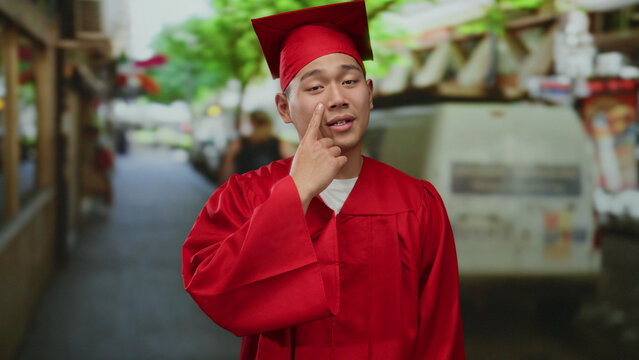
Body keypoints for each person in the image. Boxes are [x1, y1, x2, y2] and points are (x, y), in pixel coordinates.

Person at [182, 1, 465, 359]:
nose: (337, 98)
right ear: (284, 108)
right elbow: (212, 289)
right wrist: (296, 192)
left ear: (370, 94)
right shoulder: (245, 195)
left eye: (350, 81)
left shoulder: (417, 203)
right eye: (315, 88)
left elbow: (440, 336)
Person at [219, 110, 296, 184]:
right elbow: (295, 171)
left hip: (246, 191)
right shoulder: (281, 144)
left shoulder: (239, 144)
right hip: (271, 192)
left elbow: (225, 176)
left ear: (253, 123)